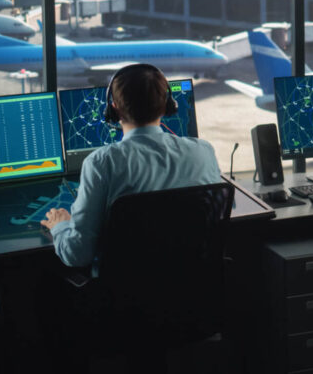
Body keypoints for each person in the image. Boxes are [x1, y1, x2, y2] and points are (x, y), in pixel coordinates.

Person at [41, 63, 223, 268]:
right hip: (192, 284)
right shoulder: (203, 151)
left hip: (125, 293)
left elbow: (77, 255)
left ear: (113, 109)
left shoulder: (102, 163)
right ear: (168, 105)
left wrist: (60, 225)